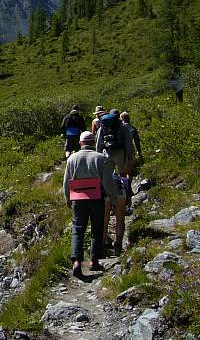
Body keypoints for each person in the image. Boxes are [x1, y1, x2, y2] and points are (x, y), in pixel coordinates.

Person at [63, 131, 119, 279]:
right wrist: (113, 200)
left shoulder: (72, 158)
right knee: (97, 228)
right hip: (96, 198)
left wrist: (67, 198)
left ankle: (76, 261)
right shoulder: (101, 158)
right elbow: (108, 182)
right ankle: (94, 260)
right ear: (94, 143)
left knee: (78, 229)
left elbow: (66, 181)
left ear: (81, 143)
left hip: (77, 198)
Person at [97, 108, 135, 255]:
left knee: (106, 177)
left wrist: (98, 158)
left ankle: (102, 244)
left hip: (107, 154)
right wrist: (130, 158)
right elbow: (128, 143)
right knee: (123, 174)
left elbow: (99, 143)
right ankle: (125, 194)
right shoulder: (123, 126)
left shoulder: (103, 125)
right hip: (120, 153)